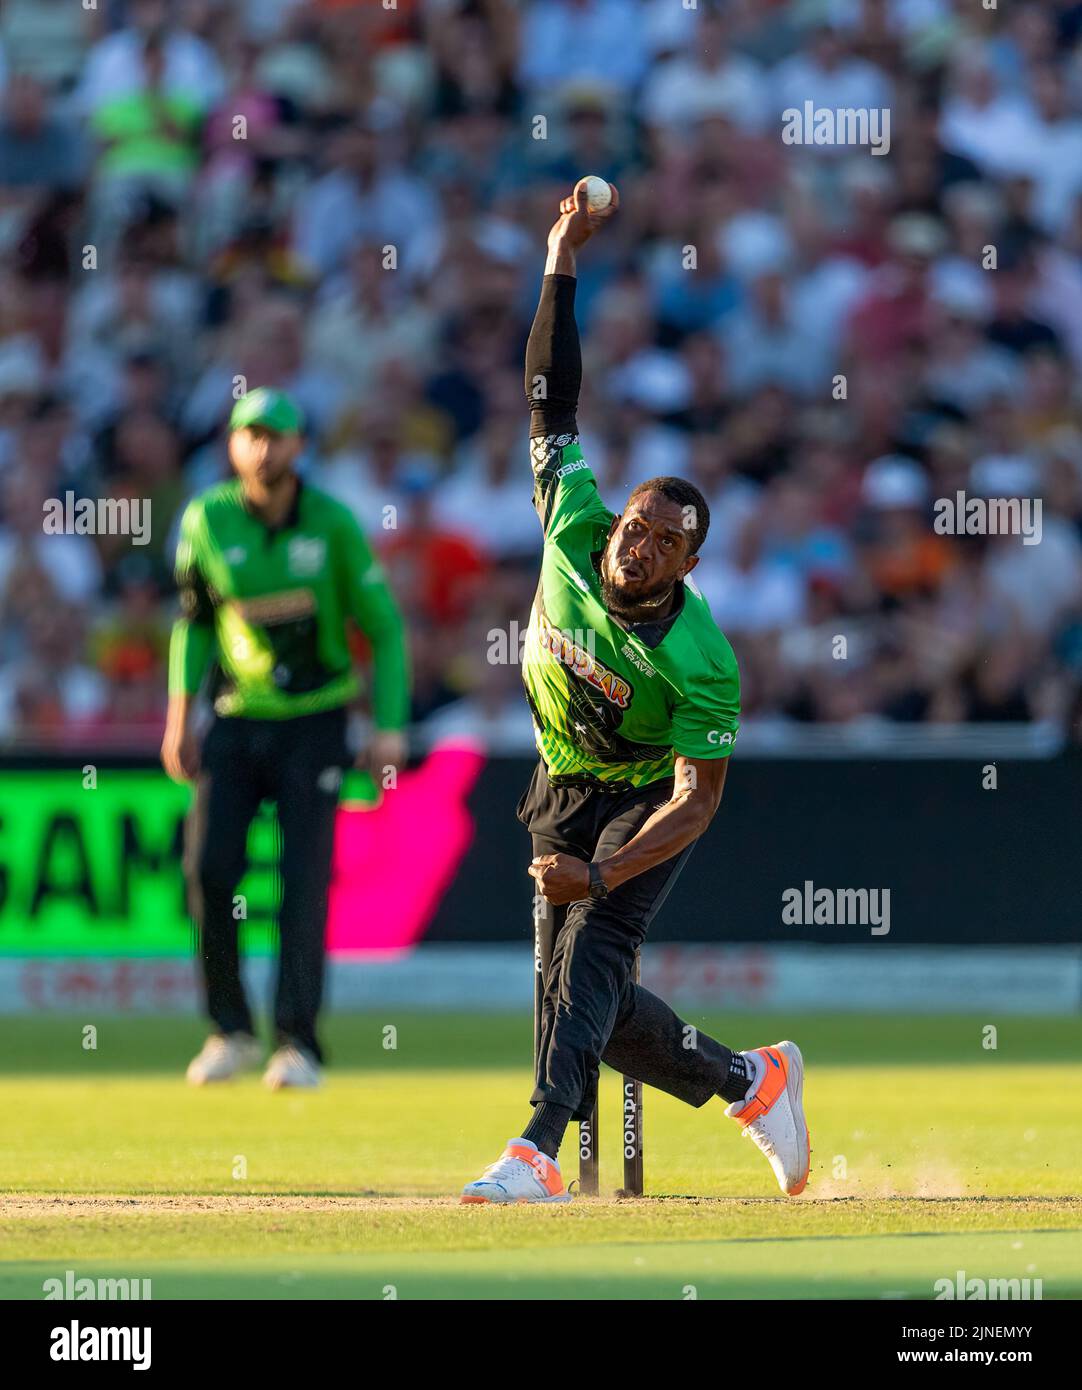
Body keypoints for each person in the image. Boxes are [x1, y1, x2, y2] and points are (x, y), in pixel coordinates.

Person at [461, 183, 809, 1202]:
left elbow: (696, 800)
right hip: (559, 776)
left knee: (587, 955)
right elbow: (547, 396)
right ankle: (750, 1079)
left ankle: (534, 1149)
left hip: (646, 799)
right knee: (586, 1000)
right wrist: (560, 257)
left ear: (685, 568)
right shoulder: (571, 513)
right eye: (639, 521)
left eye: (666, 541)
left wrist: (605, 879)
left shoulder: (699, 658)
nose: (639, 541)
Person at [161, 387, 409, 1089]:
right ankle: (229, 1030)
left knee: (303, 882)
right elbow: (194, 621)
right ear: (232, 444)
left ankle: (297, 1043)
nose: (263, 448)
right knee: (209, 873)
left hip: (316, 719)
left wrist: (387, 724)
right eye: (250, 435)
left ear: (301, 447)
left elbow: (384, 629)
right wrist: (180, 718)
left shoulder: (332, 524)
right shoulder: (207, 519)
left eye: (277, 436)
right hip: (237, 717)